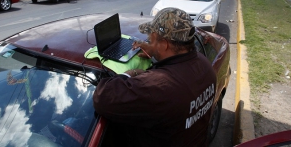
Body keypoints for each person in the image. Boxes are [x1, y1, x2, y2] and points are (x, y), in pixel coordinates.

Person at [93, 8, 217, 146]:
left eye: (151, 39)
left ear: (164, 44)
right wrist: (154, 50)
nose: (148, 41)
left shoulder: (159, 87)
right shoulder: (204, 64)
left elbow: (102, 97)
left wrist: (132, 73)